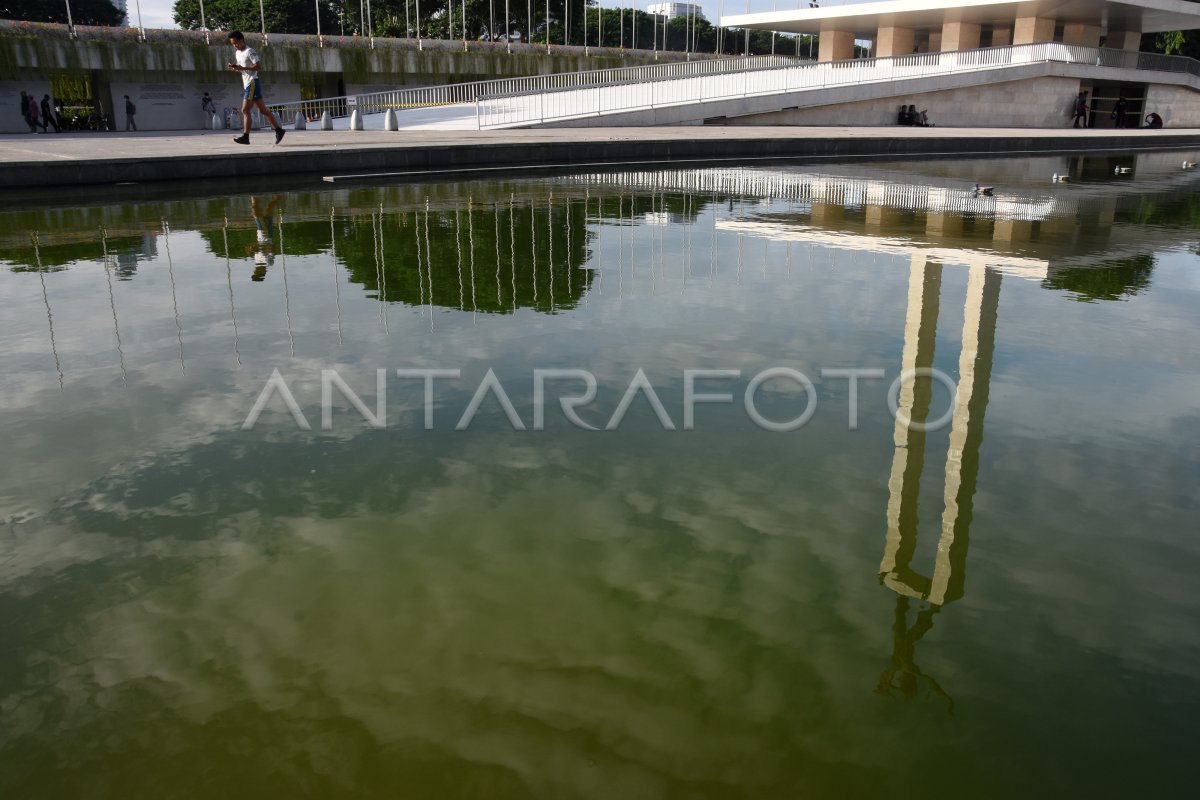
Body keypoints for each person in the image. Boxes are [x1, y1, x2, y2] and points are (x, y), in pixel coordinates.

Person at [226, 31, 285, 146]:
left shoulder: (250, 51)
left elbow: (258, 66)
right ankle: (279, 130)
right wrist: (235, 68)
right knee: (263, 110)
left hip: (252, 83)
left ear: (241, 40)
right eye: (232, 44)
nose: (234, 46)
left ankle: (246, 137)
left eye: (236, 43)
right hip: (249, 83)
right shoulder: (238, 53)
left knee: (245, 110)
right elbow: (244, 69)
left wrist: (242, 67)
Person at [247, 195, 282, 280]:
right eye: (257, 272)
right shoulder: (269, 262)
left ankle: (276, 197)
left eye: (255, 271)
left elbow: (252, 246)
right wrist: (260, 249)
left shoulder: (256, 260)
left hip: (259, 233)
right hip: (266, 234)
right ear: (262, 272)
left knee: (268, 209)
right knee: (257, 212)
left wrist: (252, 249)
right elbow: (272, 248)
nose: (255, 270)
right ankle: (254, 195)